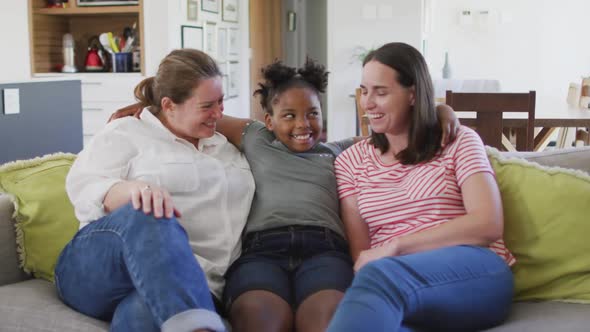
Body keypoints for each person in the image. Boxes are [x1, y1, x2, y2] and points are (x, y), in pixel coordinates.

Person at [111, 58, 460, 332]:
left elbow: (399, 129)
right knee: (261, 321)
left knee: (324, 322)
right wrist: (152, 110)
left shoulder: (342, 151)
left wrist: (442, 111)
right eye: (288, 116)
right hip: (262, 252)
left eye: (312, 114)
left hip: (325, 250)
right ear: (269, 120)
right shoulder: (256, 139)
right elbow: (204, 113)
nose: (302, 124)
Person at [56, 49, 255, 332]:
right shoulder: (126, 131)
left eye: (221, 101)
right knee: (150, 209)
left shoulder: (225, 145)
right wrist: (133, 190)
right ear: (169, 105)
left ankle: (190, 320)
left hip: (192, 283)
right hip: (98, 268)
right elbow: (84, 187)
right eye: (207, 105)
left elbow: (268, 130)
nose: (219, 113)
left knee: (143, 317)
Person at [326, 42, 515, 332]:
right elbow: (362, 256)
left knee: (380, 275)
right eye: (365, 91)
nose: (367, 103)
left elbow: (487, 224)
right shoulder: (350, 162)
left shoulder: (458, 140)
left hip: (474, 270)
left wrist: (397, 246)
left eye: (381, 92)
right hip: (400, 286)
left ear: (412, 94)